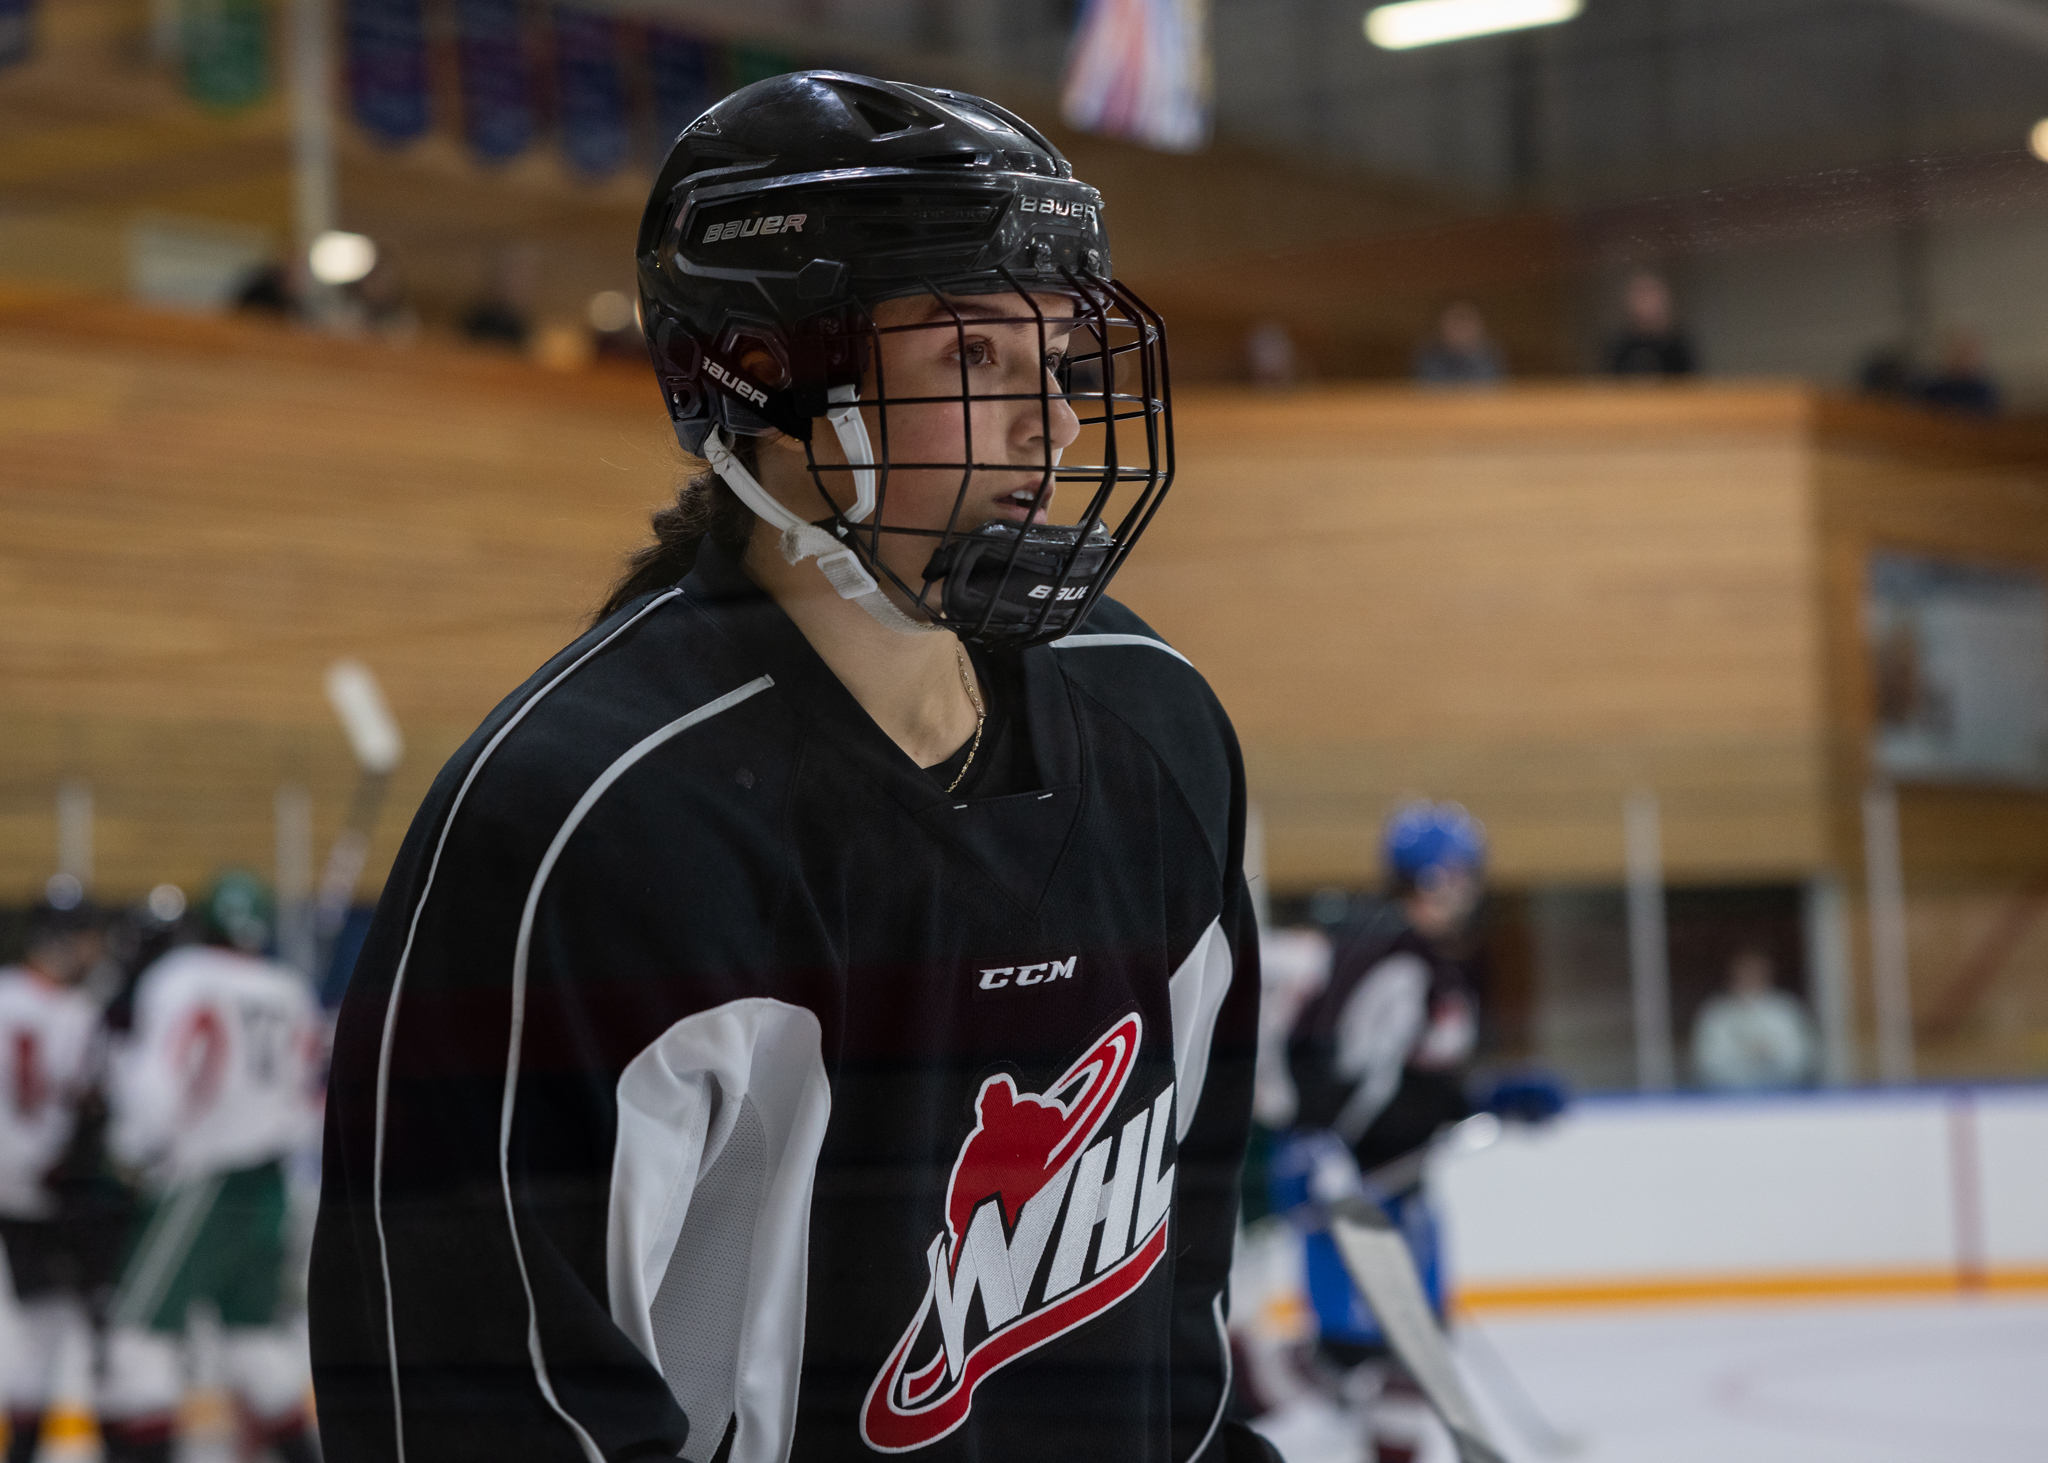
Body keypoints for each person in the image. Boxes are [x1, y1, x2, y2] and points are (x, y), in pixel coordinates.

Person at [310, 71, 1275, 1463]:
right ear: (764, 375)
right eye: (970, 360)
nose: (1052, 425)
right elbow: (470, 1411)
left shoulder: (1159, 723)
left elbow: (1180, 1320)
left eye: (1056, 359)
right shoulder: (580, 820)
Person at [1281, 803, 1489, 1463]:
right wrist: (1324, 1148)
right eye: (1465, 875)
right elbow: (1352, 1077)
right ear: (1438, 876)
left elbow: (1410, 1078)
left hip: (1398, 1183)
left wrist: (1475, 1102)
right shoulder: (1395, 955)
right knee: (1346, 1353)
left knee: (1416, 1348)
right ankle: (1197, 1419)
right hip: (1364, 1187)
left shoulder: (1417, 954)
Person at [100, 872, 323, 1463]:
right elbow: (308, 1097)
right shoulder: (289, 986)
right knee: (254, 1340)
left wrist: (130, 1152)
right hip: (270, 1184)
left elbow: (158, 1086)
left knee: (137, 1340)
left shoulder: (185, 977)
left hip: (203, 1181)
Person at [0, 877, 105, 1462]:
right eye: (86, 937)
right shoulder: (76, 1013)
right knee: (73, 1335)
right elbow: (88, 1104)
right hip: (49, 1194)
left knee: (42, 1333)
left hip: (17, 1193)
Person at [1690, 947, 1815, 1091]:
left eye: (1756, 972)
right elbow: (1706, 1062)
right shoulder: (1716, 1013)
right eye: (1744, 971)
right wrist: (1743, 1056)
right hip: (1727, 1098)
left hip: (1784, 1096)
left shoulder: (1786, 1010)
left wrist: (1771, 1055)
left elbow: (1802, 1058)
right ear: (1732, 975)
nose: (1749, 977)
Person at [1606, 269, 1695, 377]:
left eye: (1651, 293)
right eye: (1640, 294)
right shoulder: (1619, 347)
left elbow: (1691, 386)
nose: (1646, 301)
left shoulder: (1679, 347)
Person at [1411, 300, 1504, 385]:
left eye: (1466, 323)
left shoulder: (1490, 358)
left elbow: (1490, 391)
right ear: (1442, 327)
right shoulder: (1428, 358)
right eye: (1455, 324)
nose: (1460, 330)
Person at [1919, 330, 1999, 415]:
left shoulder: (1984, 395)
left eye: (1968, 353)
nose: (1962, 359)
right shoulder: (1936, 389)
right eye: (1959, 352)